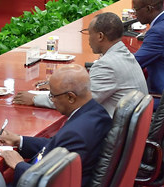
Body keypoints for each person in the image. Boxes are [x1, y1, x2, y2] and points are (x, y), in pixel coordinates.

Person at [0, 65, 111, 187]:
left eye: (53, 95)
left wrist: (18, 164)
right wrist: (20, 140)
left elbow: (51, 182)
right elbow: (57, 146)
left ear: (71, 97)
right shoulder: (96, 112)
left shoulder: (77, 132)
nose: (52, 100)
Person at [13, 12, 147, 116]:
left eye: (89, 34)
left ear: (100, 36)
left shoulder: (108, 65)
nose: (88, 39)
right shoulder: (124, 54)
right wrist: (60, 88)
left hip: (109, 136)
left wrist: (35, 99)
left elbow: (80, 102)